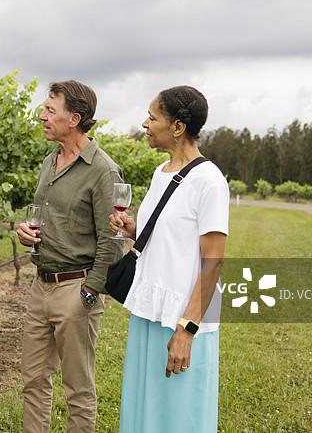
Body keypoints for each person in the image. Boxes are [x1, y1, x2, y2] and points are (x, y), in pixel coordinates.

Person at [108, 85, 229, 433]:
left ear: (177, 127)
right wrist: (134, 230)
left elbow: (213, 262)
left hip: (182, 317)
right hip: (150, 311)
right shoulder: (160, 172)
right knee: (146, 408)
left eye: (152, 116)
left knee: (178, 417)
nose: (145, 123)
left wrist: (187, 329)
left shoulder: (209, 182)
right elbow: (171, 236)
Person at [16, 80, 124, 433]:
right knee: (33, 381)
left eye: (50, 111)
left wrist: (89, 292)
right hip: (40, 286)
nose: (42, 116)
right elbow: (49, 219)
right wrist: (25, 232)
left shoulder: (102, 170)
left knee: (78, 389)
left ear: (74, 118)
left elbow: (112, 239)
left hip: (76, 289)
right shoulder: (51, 161)